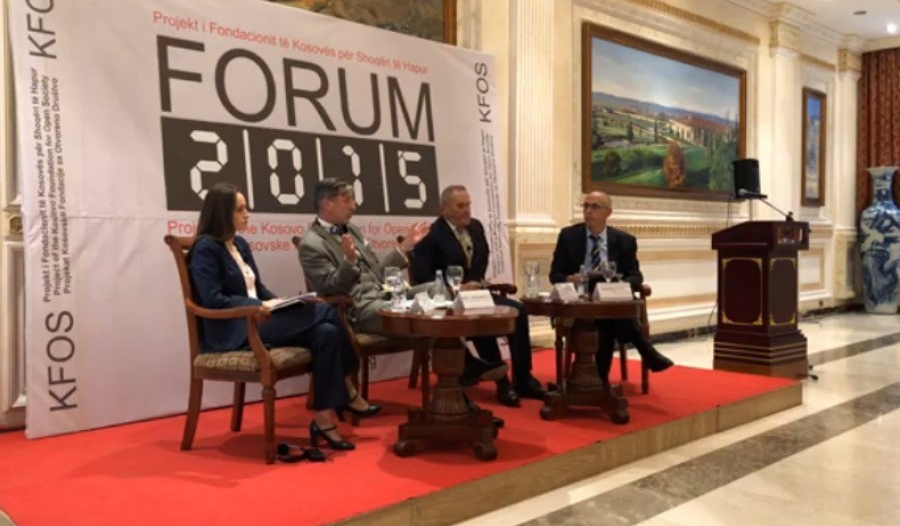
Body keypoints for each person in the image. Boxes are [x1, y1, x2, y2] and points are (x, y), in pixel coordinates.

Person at [189, 182, 379, 453]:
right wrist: (257, 305)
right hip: (236, 328)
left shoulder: (240, 244)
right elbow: (211, 299)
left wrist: (280, 301)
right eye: (240, 209)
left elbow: (258, 288)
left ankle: (324, 420)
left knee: (326, 332)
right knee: (325, 310)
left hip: (260, 316)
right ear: (222, 212)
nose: (247, 214)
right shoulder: (205, 248)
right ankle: (348, 388)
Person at [299, 178, 508, 384]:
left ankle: (462, 369)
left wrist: (405, 247)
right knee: (425, 313)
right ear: (327, 203)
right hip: (359, 310)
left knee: (440, 290)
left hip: (386, 295)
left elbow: (379, 274)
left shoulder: (352, 229)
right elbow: (330, 287)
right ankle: (462, 371)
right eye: (347, 200)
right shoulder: (312, 243)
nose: (353, 206)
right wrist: (349, 261)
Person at [411, 185, 545, 407]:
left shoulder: (476, 227)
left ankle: (523, 378)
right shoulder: (432, 235)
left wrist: (474, 283)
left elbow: (481, 261)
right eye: (460, 206)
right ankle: (502, 381)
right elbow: (423, 277)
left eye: (468, 205)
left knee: (518, 311)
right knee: (479, 318)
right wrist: (456, 288)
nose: (466, 210)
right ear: (444, 209)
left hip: (477, 294)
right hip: (447, 301)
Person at [549, 191, 673, 388]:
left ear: (608, 212)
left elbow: (636, 276)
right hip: (580, 301)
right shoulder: (568, 236)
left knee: (607, 314)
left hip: (610, 299)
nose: (588, 211)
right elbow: (555, 275)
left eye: (595, 207)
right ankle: (644, 351)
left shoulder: (624, 240)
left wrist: (620, 286)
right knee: (608, 317)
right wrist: (569, 279)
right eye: (586, 206)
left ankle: (599, 379)